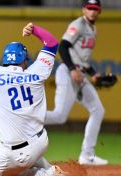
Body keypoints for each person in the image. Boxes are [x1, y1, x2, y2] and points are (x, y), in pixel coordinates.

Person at [0, 22, 66, 176]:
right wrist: (34, 30)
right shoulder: (38, 72)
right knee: (25, 146)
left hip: (17, 152)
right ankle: (45, 165)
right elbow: (52, 43)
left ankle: (48, 174)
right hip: (41, 141)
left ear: (5, 59)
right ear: (24, 60)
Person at [45, 0, 107, 166]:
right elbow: (63, 47)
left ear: (99, 11)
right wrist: (72, 69)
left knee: (98, 110)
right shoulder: (78, 24)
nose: (92, 11)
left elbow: (82, 59)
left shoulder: (93, 29)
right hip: (68, 71)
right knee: (59, 116)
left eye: (95, 9)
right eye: (90, 8)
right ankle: (25, 116)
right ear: (84, 9)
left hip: (79, 73)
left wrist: (93, 75)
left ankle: (87, 155)